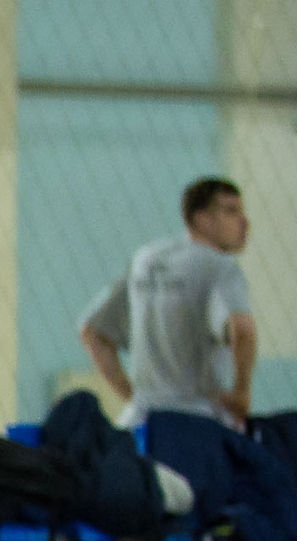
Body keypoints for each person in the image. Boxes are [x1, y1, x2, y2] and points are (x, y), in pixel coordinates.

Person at [80, 177, 256, 430]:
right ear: (202, 219)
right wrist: (242, 393)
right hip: (200, 421)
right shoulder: (220, 267)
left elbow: (92, 332)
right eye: (231, 211)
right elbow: (244, 330)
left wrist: (133, 396)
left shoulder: (146, 260)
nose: (244, 222)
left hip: (141, 421)